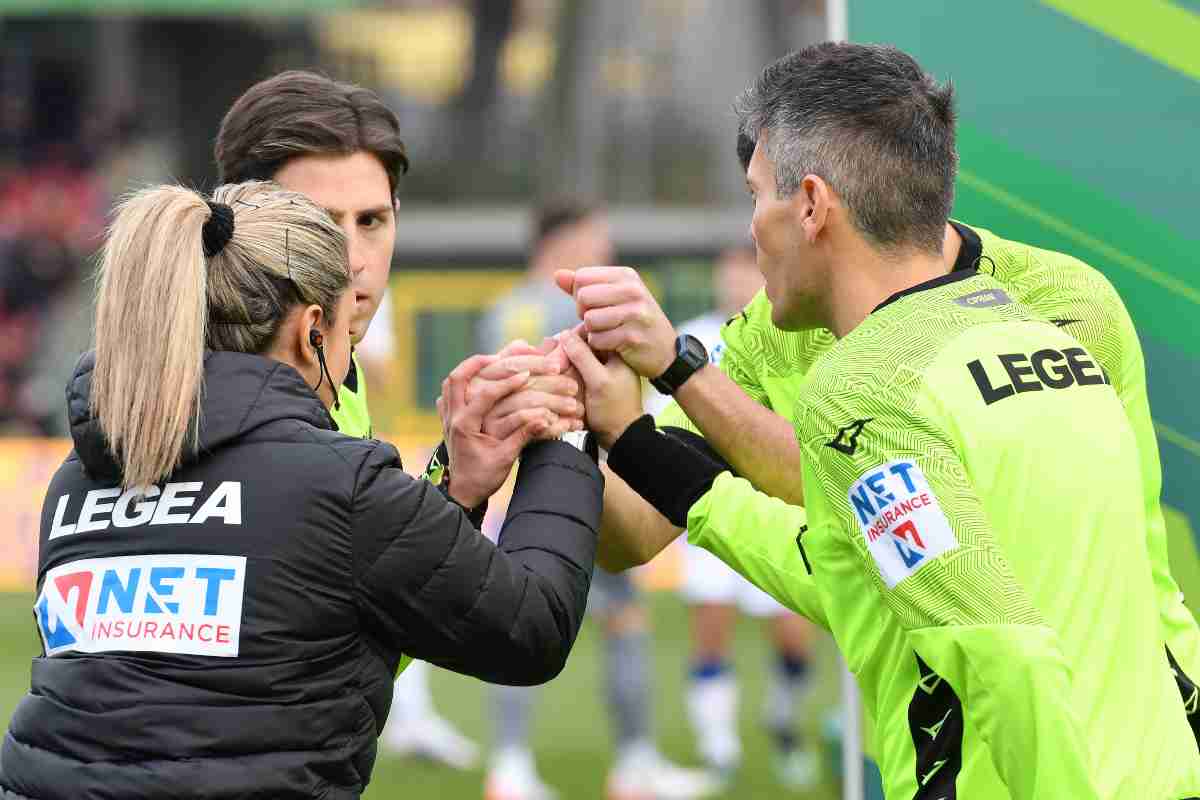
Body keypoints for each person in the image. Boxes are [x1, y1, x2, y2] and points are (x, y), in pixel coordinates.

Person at [556, 43, 1200, 798]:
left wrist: (675, 374)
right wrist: (588, 436)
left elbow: (1029, 624)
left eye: (756, 195)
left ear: (812, 205)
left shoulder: (1061, 306)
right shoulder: (786, 331)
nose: (750, 228)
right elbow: (843, 558)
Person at [0, 181, 604, 799]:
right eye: (348, 336)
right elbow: (532, 626)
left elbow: (295, 614)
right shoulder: (337, 484)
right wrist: (568, 429)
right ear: (311, 328)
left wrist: (455, 488)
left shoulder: (78, 480)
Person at [215, 69, 516, 769]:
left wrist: (458, 490)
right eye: (318, 224)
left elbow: (354, 639)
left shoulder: (338, 382)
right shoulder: (185, 392)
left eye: (372, 221)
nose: (353, 262)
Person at [477, 201, 719, 800]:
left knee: (515, 628)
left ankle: (508, 768)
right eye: (595, 240)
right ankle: (634, 765)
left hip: (516, 492)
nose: (605, 254)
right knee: (625, 620)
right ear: (563, 243)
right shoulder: (578, 309)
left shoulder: (501, 309)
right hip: (582, 488)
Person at [643, 244, 815, 786]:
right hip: (709, 500)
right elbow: (660, 422)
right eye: (727, 273)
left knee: (793, 635)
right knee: (710, 627)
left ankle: (786, 725)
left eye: (745, 271)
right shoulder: (687, 340)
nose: (734, 282)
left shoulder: (789, 334)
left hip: (776, 510)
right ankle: (719, 746)